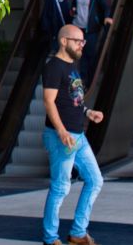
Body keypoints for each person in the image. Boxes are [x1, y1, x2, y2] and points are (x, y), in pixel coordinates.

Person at [41, 24, 105, 245]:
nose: (81, 45)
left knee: (95, 180)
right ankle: (50, 238)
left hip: (78, 135)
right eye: (78, 41)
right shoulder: (53, 67)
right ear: (63, 41)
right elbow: (49, 102)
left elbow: (72, 100)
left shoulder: (72, 67)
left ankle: (78, 232)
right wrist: (61, 131)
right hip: (62, 137)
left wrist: (88, 112)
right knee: (61, 187)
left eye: (82, 41)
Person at [69, 0, 112, 86]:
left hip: (90, 29)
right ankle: (80, 81)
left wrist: (107, 17)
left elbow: (106, 6)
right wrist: (73, 10)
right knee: (78, 55)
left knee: (89, 55)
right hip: (78, 27)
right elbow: (74, 4)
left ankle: (88, 81)